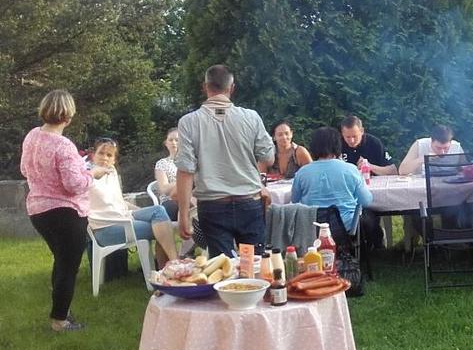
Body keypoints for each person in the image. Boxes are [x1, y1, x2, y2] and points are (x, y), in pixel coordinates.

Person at [175, 64, 275, 257]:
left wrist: (184, 215)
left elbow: (185, 171)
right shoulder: (251, 118)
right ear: (232, 88)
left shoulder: (188, 122)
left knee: (223, 269)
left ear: (205, 87)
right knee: (254, 266)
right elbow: (268, 158)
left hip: (213, 206)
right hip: (249, 202)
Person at [21, 90, 94, 332]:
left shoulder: (32, 136)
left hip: (38, 211)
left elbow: (24, 168)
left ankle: (61, 311)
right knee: (68, 266)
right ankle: (60, 321)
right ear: (68, 116)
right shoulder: (64, 146)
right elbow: (74, 185)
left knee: (61, 262)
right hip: (64, 212)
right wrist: (92, 174)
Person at [88, 138, 179, 267]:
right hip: (105, 229)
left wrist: (142, 212)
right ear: (93, 155)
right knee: (163, 228)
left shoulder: (111, 173)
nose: (105, 158)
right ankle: (173, 265)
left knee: (158, 212)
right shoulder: (86, 176)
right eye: (101, 153)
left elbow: (119, 202)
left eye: (109, 155)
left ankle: (167, 266)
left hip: (124, 218)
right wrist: (92, 173)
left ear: (114, 159)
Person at [292, 127, 373, 243]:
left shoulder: (302, 173)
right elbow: (366, 201)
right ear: (337, 146)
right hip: (345, 227)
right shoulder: (351, 170)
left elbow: (294, 201)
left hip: (312, 228)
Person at [339, 115, 394, 249]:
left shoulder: (374, 143)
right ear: (342, 134)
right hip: (347, 193)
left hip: (371, 189)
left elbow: (392, 170)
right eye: (347, 137)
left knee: (370, 212)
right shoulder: (337, 145)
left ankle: (377, 241)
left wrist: (370, 167)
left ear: (362, 131)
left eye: (355, 136)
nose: (351, 141)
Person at [398, 125, 464, 175]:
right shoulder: (420, 144)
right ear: (431, 141)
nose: (442, 152)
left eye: (446, 148)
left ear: (450, 143)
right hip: (423, 185)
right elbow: (402, 171)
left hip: (449, 185)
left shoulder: (456, 146)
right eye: (438, 148)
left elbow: (465, 168)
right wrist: (423, 159)